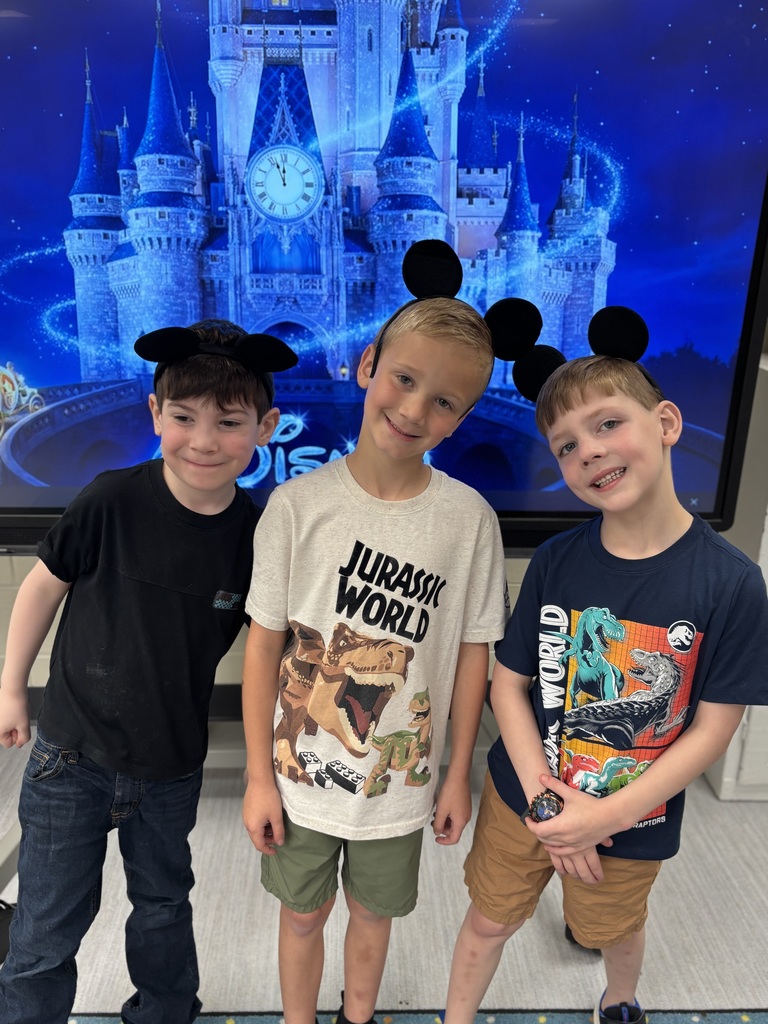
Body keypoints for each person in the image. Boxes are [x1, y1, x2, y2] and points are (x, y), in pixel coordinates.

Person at [444, 352, 768, 1024]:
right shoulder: (556, 561)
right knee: (489, 919)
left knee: (612, 930)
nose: (589, 452)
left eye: (608, 424)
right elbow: (508, 687)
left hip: (633, 817)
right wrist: (547, 800)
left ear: (667, 423)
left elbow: (713, 727)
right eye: (567, 445)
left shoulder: (732, 583)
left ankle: (619, 1002)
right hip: (522, 798)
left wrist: (604, 817)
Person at [0, 319, 297, 1024]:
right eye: (184, 417)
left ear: (266, 427)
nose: (203, 440)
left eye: (228, 422)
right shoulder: (111, 498)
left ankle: (165, 1013)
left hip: (169, 764)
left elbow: (270, 645)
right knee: (47, 925)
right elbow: (43, 584)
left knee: (163, 904)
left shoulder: (254, 536)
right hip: (70, 754)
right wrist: (12, 686)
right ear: (155, 414)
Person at [241, 293, 509, 1024]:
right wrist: (259, 778)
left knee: (372, 915)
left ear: (461, 418)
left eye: (445, 401)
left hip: (399, 787)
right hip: (302, 784)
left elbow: (472, 656)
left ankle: (357, 1018)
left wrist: (459, 775)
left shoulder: (468, 521)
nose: (416, 409)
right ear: (367, 366)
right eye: (404, 379)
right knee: (301, 916)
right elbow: (264, 648)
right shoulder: (295, 507)